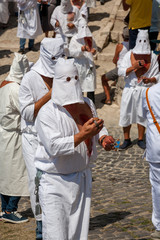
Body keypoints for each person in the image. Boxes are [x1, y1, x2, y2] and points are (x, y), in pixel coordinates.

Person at [34, 57, 115, 239]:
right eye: (67, 79)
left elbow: (95, 125)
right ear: (58, 81)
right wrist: (83, 135)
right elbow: (54, 146)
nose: (73, 83)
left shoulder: (87, 103)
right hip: (55, 182)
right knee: (56, 234)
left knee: (78, 234)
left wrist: (103, 137)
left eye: (76, 78)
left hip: (82, 178)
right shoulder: (48, 112)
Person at [19, 38, 64, 240]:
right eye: (53, 59)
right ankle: (41, 228)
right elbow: (27, 113)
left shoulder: (63, 73)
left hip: (55, 136)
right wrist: (50, 95)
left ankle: (58, 225)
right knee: (37, 182)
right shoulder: (30, 78)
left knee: (56, 180)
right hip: (33, 138)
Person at [118, 30, 160, 150]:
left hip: (144, 90)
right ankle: (127, 139)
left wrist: (151, 79)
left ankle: (141, 139)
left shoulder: (153, 56)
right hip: (130, 89)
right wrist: (133, 67)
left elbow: (158, 75)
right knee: (126, 113)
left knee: (142, 115)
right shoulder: (128, 54)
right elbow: (120, 71)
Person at [0, 53, 29, 223]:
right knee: (17, 173)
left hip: (4, 134)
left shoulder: (3, 85)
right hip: (14, 135)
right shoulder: (15, 89)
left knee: (6, 173)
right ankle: (10, 210)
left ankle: (5, 209)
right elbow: (26, 111)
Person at [142, 83, 160, 239]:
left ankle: (159, 224)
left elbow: (144, 115)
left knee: (157, 187)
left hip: (156, 144)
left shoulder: (148, 92)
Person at [69, 19, 97, 103]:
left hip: (89, 64)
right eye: (82, 27)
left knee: (90, 87)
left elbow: (95, 47)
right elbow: (71, 52)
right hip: (79, 65)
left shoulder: (90, 38)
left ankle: (91, 105)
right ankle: (80, 104)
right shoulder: (74, 39)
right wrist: (82, 49)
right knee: (79, 86)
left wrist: (94, 51)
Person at [101, 26, 129, 105]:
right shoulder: (133, 44)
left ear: (122, 36)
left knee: (103, 78)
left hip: (121, 69)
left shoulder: (120, 46)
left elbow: (114, 60)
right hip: (129, 68)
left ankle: (108, 99)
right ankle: (115, 81)